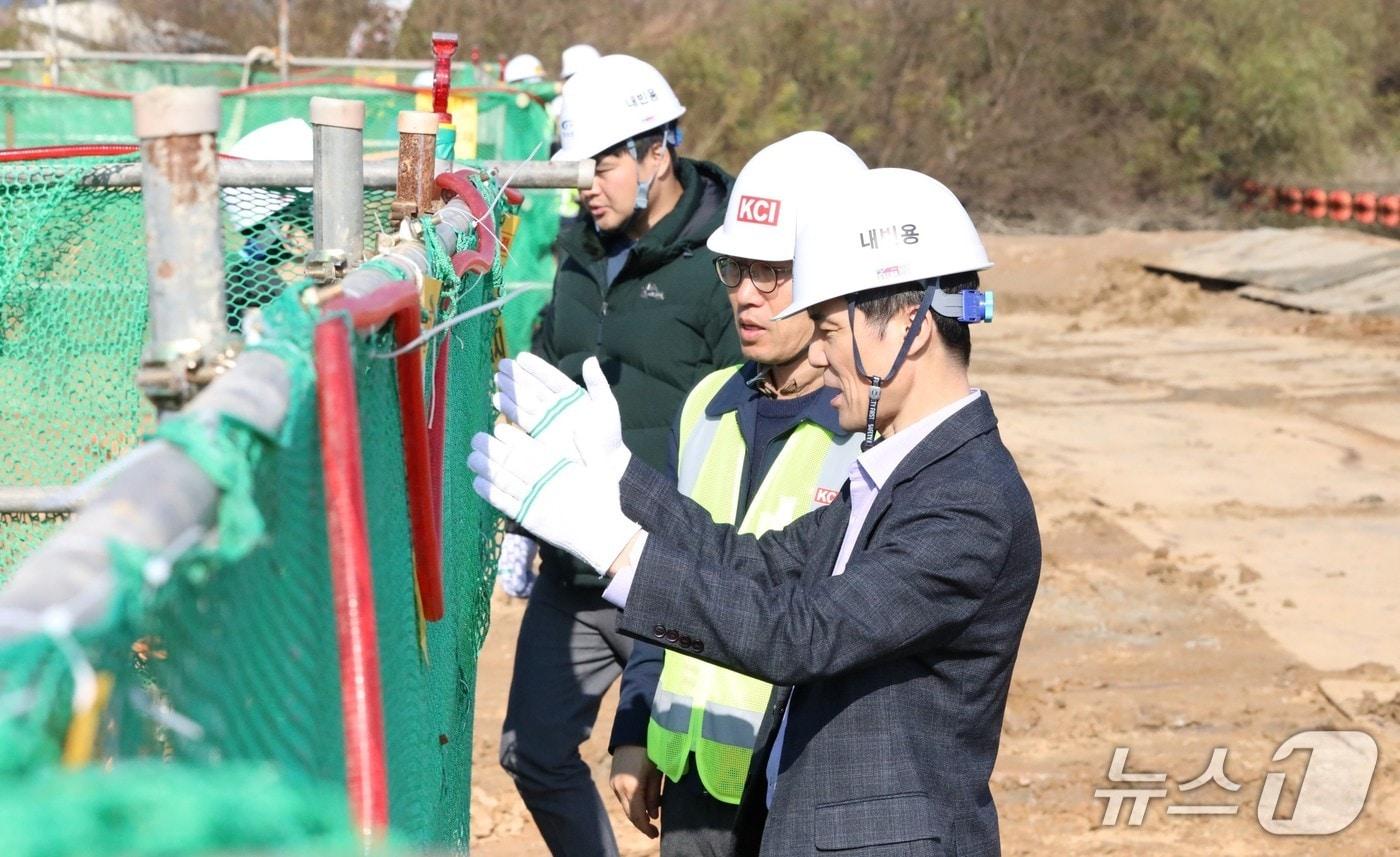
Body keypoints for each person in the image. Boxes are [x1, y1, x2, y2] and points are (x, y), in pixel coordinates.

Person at [475, 166, 1040, 856]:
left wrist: (618, 548)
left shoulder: (966, 501)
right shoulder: (899, 470)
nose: (823, 356)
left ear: (911, 325)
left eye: (831, 330)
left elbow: (800, 632)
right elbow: (757, 560)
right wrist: (620, 476)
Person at [497, 53, 741, 857]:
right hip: (574, 566)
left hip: (674, 565)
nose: (587, 187)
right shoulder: (575, 258)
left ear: (657, 153)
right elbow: (549, 370)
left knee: (685, 788)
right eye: (578, 171)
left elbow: (747, 428)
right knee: (530, 751)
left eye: (602, 164)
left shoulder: (721, 271)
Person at [607, 132, 867, 854]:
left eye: (772, 272)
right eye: (735, 269)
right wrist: (634, 726)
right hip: (696, 780)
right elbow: (665, 576)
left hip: (809, 780)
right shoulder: (705, 406)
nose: (746, 294)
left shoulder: (869, 436)